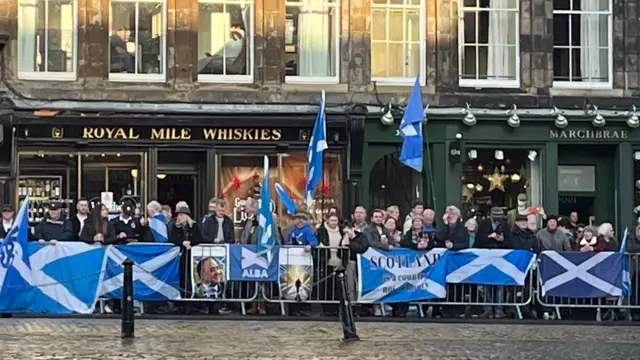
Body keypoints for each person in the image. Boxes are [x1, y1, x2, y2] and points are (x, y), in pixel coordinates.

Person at [168, 205, 204, 313]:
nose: (179, 217)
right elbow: (172, 238)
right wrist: (182, 242)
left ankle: (193, 301)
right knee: (183, 277)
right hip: (182, 256)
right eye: (178, 215)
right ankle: (183, 301)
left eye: (181, 215)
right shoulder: (175, 227)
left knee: (193, 277)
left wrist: (191, 242)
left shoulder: (194, 226)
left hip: (193, 256)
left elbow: (199, 238)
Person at [315, 213, 345, 316]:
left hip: (339, 260)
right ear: (328, 220)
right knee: (327, 285)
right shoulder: (322, 230)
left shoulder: (342, 230)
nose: (334, 223)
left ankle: (336, 308)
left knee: (338, 285)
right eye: (332, 220)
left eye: (335, 221)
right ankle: (326, 308)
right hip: (327, 260)